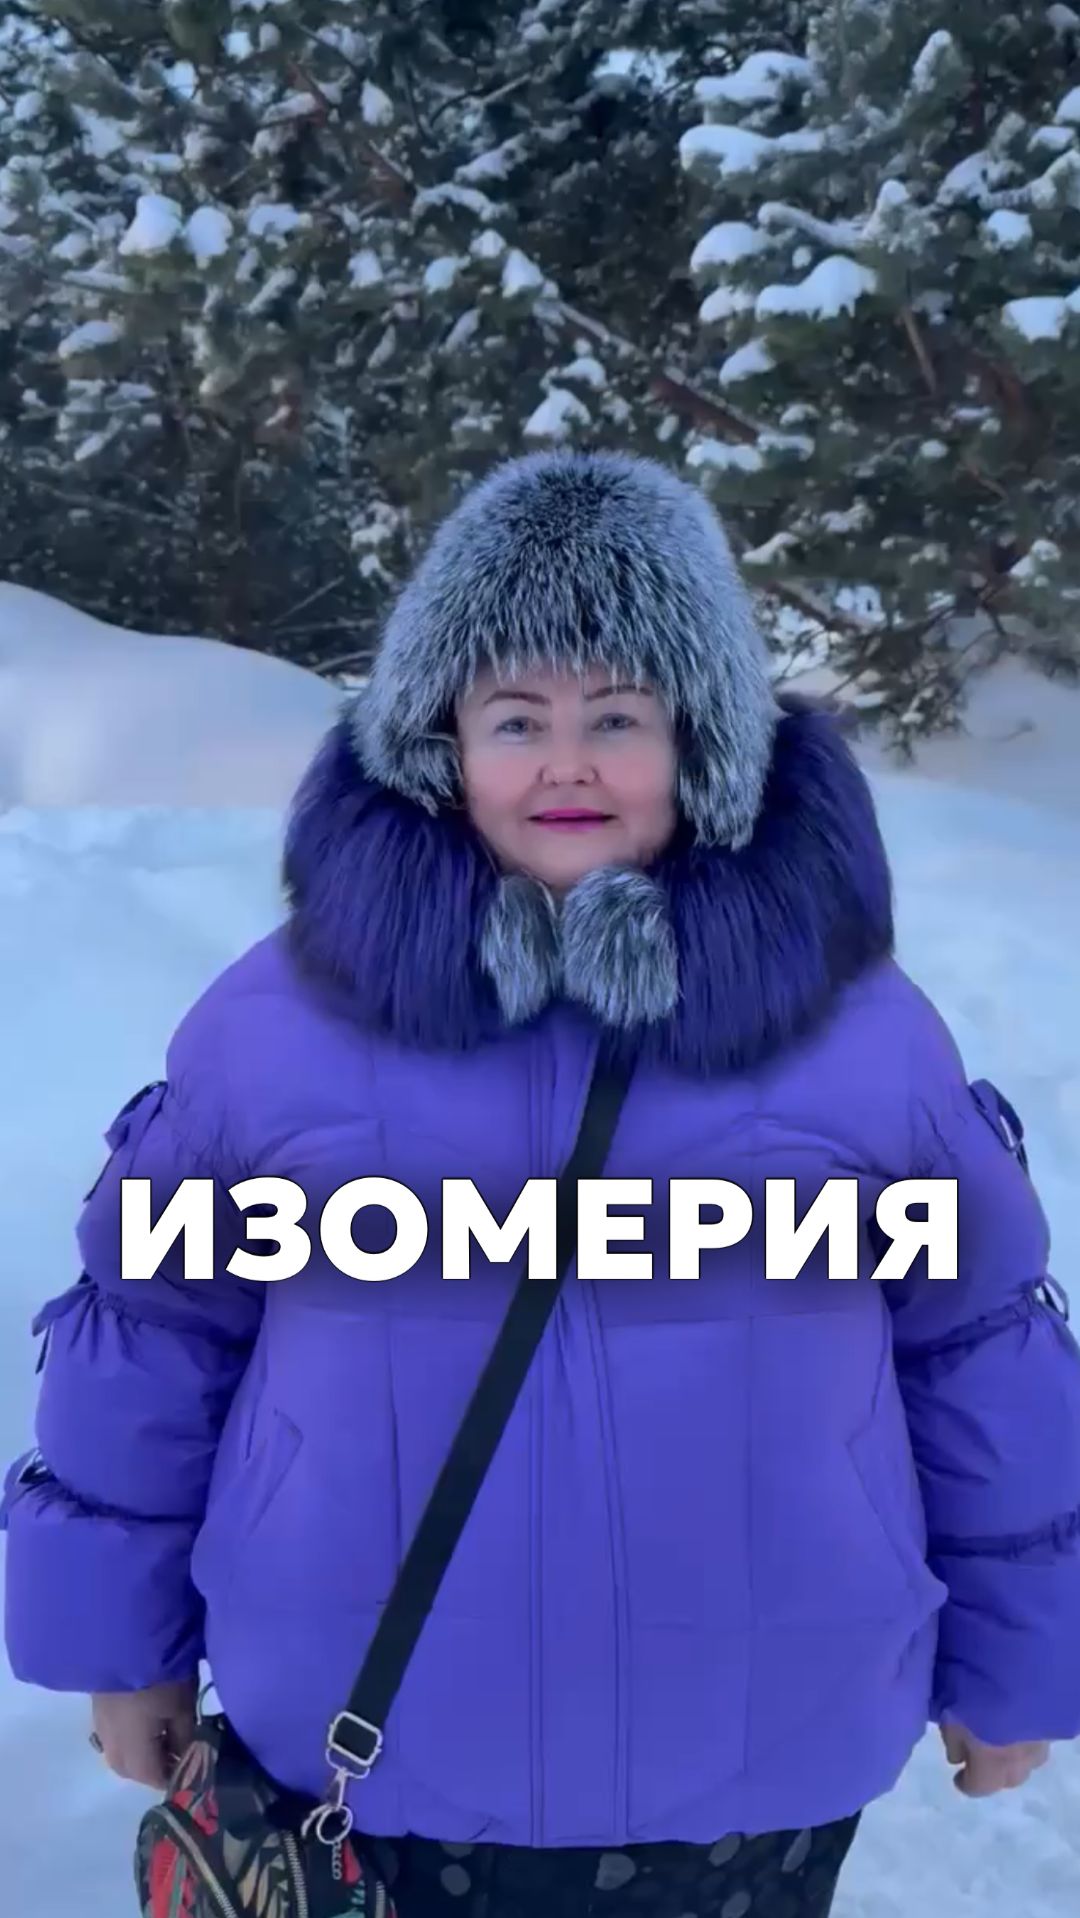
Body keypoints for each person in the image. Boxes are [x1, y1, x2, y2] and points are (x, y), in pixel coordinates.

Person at [4, 449, 1080, 1918]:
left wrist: (1017, 1664)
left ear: (703, 742)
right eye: (517, 717)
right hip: (370, 1759)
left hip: (760, 1771)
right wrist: (121, 1647)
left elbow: (980, 1355)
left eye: (617, 716)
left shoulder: (859, 1034)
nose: (566, 762)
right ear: (437, 741)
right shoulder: (277, 1027)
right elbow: (151, 1333)